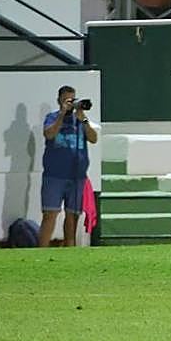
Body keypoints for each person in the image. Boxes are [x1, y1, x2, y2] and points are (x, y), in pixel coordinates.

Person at [39, 85, 99, 247]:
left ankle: (70, 249)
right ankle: (40, 250)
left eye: (73, 99)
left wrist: (83, 119)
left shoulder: (80, 120)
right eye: (67, 100)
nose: (71, 103)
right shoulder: (52, 117)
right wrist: (61, 115)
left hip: (77, 176)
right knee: (50, 214)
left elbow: (93, 138)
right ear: (59, 100)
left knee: (73, 216)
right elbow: (49, 134)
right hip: (54, 175)